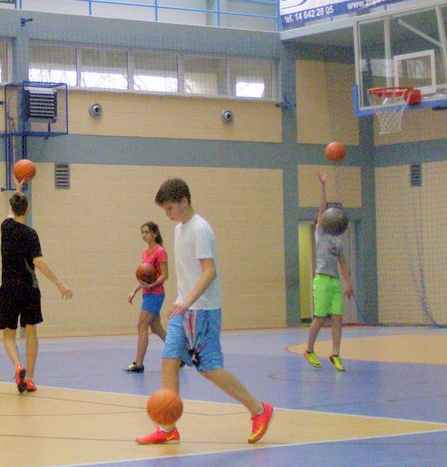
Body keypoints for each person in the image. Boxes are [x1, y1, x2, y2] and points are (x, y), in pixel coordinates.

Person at [136, 178, 273, 445]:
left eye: (170, 208)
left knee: (209, 368)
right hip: (183, 308)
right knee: (169, 359)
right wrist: (182, 302)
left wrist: (187, 301)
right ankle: (167, 427)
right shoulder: (179, 229)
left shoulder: (200, 229)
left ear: (184, 201)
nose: (167, 214)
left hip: (203, 309)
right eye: (164, 209)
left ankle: (259, 410)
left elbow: (209, 271)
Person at [0, 177, 72, 393]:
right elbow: (38, 262)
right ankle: (29, 378)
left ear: (12, 207)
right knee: (31, 332)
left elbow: (10, 212)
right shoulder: (31, 235)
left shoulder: (5, 227)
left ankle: (17, 366)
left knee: (9, 335)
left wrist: (18, 189)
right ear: (27, 209)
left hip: (8, 288)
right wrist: (59, 282)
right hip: (29, 289)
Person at [303, 172, 354, 372]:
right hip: (322, 280)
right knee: (320, 317)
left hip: (334, 282)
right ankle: (309, 349)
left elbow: (343, 264)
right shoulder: (321, 233)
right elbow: (322, 209)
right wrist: (323, 187)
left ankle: (335, 354)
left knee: (337, 318)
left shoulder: (337, 241)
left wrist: (348, 283)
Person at [124, 221, 168, 372]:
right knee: (156, 328)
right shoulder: (145, 253)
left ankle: (139, 363)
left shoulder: (160, 251)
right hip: (147, 294)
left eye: (147, 232)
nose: (144, 235)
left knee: (141, 325)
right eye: (142, 232)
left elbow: (165, 275)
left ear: (154, 233)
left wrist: (151, 285)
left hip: (156, 294)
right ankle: (181, 353)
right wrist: (134, 291)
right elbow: (144, 278)